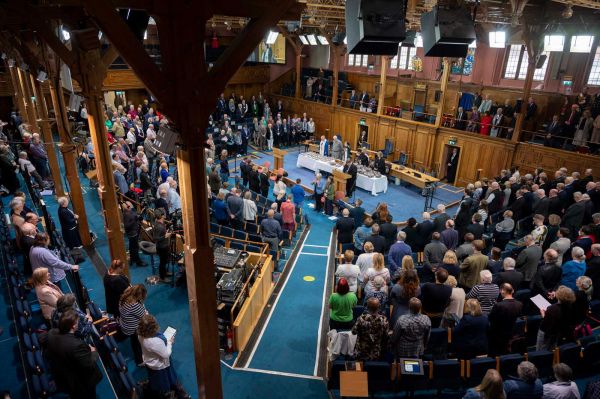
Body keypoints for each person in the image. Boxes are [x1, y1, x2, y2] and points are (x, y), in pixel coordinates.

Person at [46, 311, 103, 398]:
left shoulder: (51, 333)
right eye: (77, 322)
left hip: (62, 373)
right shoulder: (76, 346)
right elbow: (88, 363)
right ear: (73, 326)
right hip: (79, 382)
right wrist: (93, 351)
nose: (78, 323)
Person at [137, 314, 191, 399]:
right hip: (160, 366)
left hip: (151, 362)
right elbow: (166, 354)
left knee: (164, 379)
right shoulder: (154, 341)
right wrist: (169, 343)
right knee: (163, 384)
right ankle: (169, 395)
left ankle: (175, 390)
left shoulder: (140, 335)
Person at [536, 286, 576, 350]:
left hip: (547, 332)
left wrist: (543, 314)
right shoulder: (571, 307)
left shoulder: (552, 308)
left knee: (541, 349)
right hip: (560, 332)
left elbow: (547, 323)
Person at [488, 283, 523, 356]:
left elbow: (491, 319)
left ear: (503, 291)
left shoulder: (499, 305)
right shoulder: (519, 304)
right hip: (512, 335)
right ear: (512, 291)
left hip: (498, 337)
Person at [118, 284, 148, 366]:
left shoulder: (123, 297)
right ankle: (140, 361)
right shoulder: (134, 305)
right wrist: (144, 310)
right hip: (132, 329)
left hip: (124, 324)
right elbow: (145, 317)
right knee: (137, 344)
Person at [122, 202, 145, 266]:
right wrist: (135, 219)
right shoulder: (126, 214)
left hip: (134, 231)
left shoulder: (130, 211)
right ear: (128, 207)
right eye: (130, 205)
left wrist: (137, 217)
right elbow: (127, 225)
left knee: (132, 246)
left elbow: (135, 215)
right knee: (135, 247)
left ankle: (132, 259)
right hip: (132, 233)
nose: (131, 206)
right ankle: (138, 262)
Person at [153, 210, 171, 283]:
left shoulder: (160, 223)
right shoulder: (158, 226)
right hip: (162, 247)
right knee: (162, 262)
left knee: (164, 261)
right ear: (162, 216)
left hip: (164, 245)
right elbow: (155, 239)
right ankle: (162, 277)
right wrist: (165, 236)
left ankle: (165, 273)